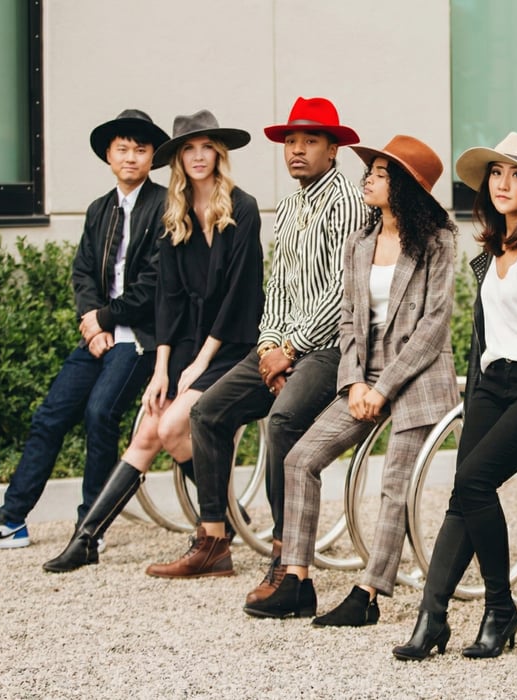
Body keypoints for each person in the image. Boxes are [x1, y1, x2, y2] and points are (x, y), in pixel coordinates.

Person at [145, 97, 367, 581]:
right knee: (207, 412)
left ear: (333, 149)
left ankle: (287, 555)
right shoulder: (287, 207)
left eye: (310, 141)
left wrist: (291, 349)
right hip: (282, 346)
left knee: (284, 420)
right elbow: (277, 287)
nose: (297, 150)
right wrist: (269, 346)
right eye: (291, 142)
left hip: (331, 348)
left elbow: (343, 291)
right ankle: (213, 541)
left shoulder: (348, 202)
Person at [392, 132, 517, 661]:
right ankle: (432, 617)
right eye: (497, 173)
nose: (503, 183)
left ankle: (500, 608)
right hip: (492, 383)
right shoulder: (491, 250)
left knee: (475, 481)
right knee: (464, 493)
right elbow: (487, 337)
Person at [243, 135, 460, 623]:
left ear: (405, 186)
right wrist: (356, 383)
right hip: (365, 377)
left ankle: (368, 594)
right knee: (300, 459)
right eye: (371, 172)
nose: (369, 180)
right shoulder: (361, 241)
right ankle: (296, 580)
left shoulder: (438, 241)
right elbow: (347, 321)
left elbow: (433, 327)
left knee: (394, 482)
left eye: (381, 174)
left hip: (418, 377)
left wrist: (383, 388)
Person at [42, 109, 263, 573]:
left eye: (206, 148)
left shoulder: (241, 208)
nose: (198, 156)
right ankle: (86, 540)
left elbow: (239, 296)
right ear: (178, 159)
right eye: (188, 149)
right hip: (183, 343)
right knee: (150, 427)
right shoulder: (173, 213)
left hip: (231, 343)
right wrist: (162, 368)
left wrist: (200, 363)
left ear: (218, 155)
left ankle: (215, 535)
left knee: (172, 426)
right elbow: (169, 299)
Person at [0, 110, 169, 552]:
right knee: (49, 416)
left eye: (140, 149)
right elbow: (83, 273)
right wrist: (93, 324)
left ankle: (92, 525)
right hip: (99, 336)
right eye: (122, 149)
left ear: (152, 157)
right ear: (108, 155)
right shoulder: (99, 209)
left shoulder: (166, 206)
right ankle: (11, 521)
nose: (131, 157)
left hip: (141, 339)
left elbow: (156, 281)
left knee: (100, 414)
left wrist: (104, 319)